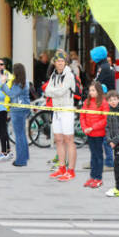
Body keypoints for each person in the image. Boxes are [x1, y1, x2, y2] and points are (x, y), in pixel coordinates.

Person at [45, 51, 78, 180]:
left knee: (69, 139)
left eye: (62, 61)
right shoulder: (53, 75)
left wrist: (53, 91)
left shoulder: (69, 75)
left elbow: (61, 91)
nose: (60, 63)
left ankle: (71, 170)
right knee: (58, 139)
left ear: (65, 62)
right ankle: (61, 167)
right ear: (55, 62)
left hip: (67, 109)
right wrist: (54, 91)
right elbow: (47, 91)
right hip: (56, 110)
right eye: (58, 61)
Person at [80, 82, 109, 188]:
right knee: (93, 155)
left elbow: (105, 119)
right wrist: (84, 128)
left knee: (98, 155)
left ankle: (98, 178)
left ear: (99, 91)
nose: (91, 92)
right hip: (89, 133)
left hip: (98, 133)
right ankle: (92, 176)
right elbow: (82, 116)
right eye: (90, 90)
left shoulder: (103, 103)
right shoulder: (87, 102)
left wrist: (93, 127)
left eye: (93, 90)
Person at [7, 62, 32, 167]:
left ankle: (21, 160)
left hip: (17, 110)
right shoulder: (25, 82)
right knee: (22, 134)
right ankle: (25, 156)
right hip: (23, 109)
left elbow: (11, 93)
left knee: (19, 135)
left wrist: (3, 84)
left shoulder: (18, 84)